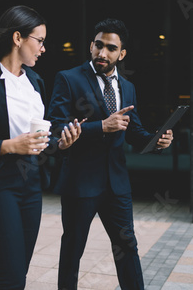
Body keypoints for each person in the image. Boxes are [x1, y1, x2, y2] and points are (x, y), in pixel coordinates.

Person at [0, 5, 83, 290]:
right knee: (9, 279)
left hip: (31, 184)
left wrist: (61, 142)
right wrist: (8, 146)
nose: (44, 49)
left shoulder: (36, 82)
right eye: (40, 40)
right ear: (18, 38)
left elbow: (38, 142)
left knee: (18, 275)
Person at [47, 18, 174, 290]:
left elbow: (134, 131)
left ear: (122, 54)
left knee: (127, 248)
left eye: (111, 48)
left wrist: (157, 140)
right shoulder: (68, 79)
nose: (102, 53)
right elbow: (57, 126)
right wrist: (100, 127)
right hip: (80, 182)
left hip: (117, 185)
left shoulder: (127, 88)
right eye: (98, 45)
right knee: (72, 251)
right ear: (90, 46)